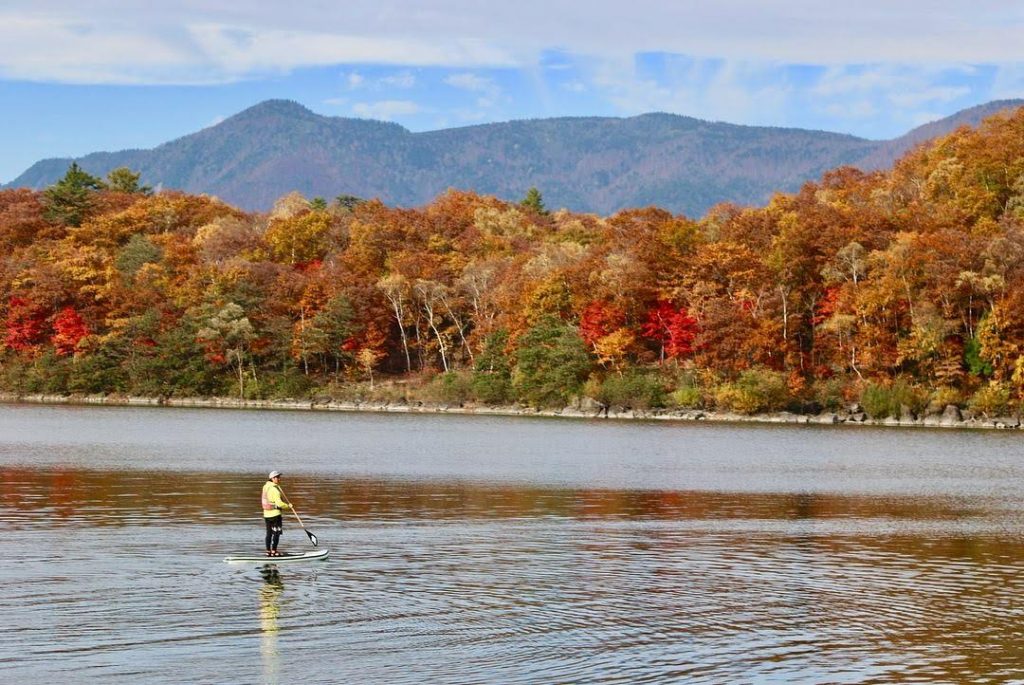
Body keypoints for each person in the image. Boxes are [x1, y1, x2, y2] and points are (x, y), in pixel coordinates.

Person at [262, 471, 291, 556]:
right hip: (275, 515)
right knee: (276, 533)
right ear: (272, 478)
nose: (279, 479)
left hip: (266, 515)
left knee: (269, 533)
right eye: (277, 477)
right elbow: (279, 504)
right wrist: (288, 506)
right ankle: (274, 551)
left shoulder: (265, 487)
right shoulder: (275, 490)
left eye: (279, 477)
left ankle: (268, 551)